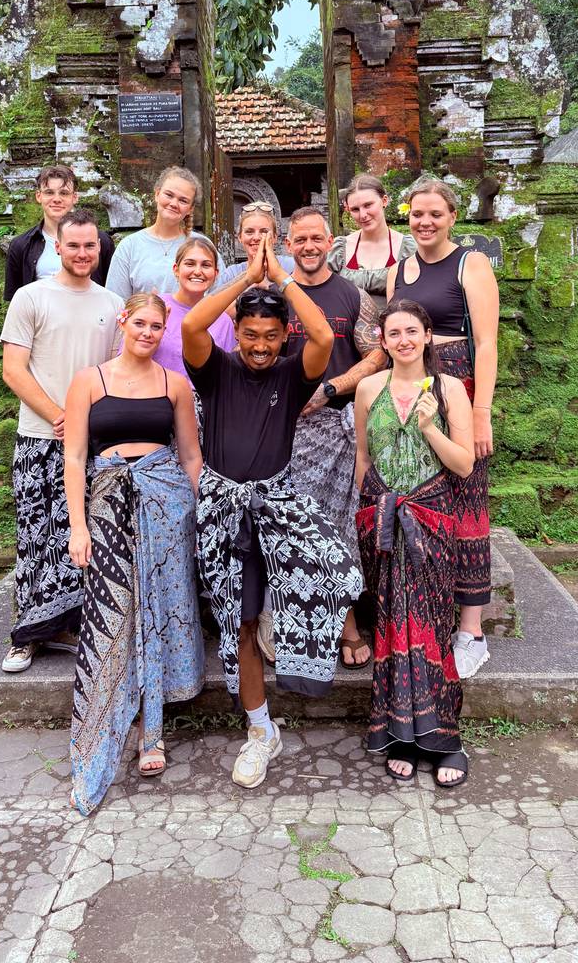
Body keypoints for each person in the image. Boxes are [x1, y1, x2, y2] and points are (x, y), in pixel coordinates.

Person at [182, 235, 362, 790]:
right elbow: (190, 328)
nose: (260, 347)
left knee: (337, 576)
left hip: (278, 511)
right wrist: (243, 281)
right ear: (237, 332)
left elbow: (327, 335)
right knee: (240, 623)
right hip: (224, 515)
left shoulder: (290, 373)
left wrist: (280, 279)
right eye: (251, 335)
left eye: (270, 336)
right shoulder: (215, 371)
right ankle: (261, 731)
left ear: (285, 336)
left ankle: (304, 666)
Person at [64, 292, 204, 815]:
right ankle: (106, 713)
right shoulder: (88, 381)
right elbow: (75, 456)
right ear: (123, 321)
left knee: (160, 611)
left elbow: (190, 454)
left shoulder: (174, 384)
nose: (146, 332)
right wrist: (79, 526)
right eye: (139, 323)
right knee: (112, 614)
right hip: (106, 505)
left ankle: (152, 731)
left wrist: (202, 511)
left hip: (166, 504)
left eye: (155, 326)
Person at [355, 299, 475, 787]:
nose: (403, 340)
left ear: (427, 336)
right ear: (382, 341)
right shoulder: (368, 387)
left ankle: (446, 739)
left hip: (432, 520)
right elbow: (364, 459)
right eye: (393, 333)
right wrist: (365, 520)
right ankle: (401, 735)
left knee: (429, 626)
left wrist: (429, 426)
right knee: (389, 626)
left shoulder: (449, 390)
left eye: (412, 331)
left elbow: (464, 463)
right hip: (385, 518)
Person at [0, 208, 124, 674]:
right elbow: (13, 370)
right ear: (58, 247)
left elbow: (114, 371)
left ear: (99, 248)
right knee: (36, 533)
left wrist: (88, 422)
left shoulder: (112, 304)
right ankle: (26, 635)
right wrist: (59, 414)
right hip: (40, 433)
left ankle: (65, 623)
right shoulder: (31, 298)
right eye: (73, 245)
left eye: (90, 245)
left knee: (80, 534)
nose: (82, 253)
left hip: (91, 441)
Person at [386, 176, 499, 679]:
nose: (426, 222)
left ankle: (471, 627)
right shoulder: (400, 271)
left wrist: (480, 411)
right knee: (420, 496)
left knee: (468, 499)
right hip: (411, 384)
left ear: (453, 216)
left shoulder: (469, 263)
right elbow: (394, 337)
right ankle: (424, 609)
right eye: (417, 214)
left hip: (460, 382)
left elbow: (489, 343)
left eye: (435, 213)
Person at [280, 205, 386, 669]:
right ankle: (298, 624)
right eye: (299, 240)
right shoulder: (275, 295)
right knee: (298, 528)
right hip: (286, 432)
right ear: (288, 246)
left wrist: (330, 389)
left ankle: (345, 623)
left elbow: (378, 353)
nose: (308, 247)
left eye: (315, 238)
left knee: (340, 527)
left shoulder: (351, 296)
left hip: (341, 428)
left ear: (330, 242)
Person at [106, 165, 225, 299]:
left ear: (191, 209)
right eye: (169, 195)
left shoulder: (202, 245)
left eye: (183, 200)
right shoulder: (130, 246)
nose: (174, 203)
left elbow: (219, 297)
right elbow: (116, 302)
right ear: (157, 194)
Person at [4, 164, 114, 301]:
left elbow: (111, 291)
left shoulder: (101, 241)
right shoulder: (20, 245)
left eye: (64, 193)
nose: (56, 199)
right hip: (41, 320)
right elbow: (16, 301)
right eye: (49, 192)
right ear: (39, 196)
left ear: (75, 197)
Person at [329, 174, 416, 308]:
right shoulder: (340, 248)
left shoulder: (408, 248)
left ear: (384, 201)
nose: (363, 215)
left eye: (368, 205)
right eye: (355, 209)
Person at [155, 235, 235, 381]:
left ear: (216, 273)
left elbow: (226, 374)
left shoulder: (223, 320)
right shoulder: (157, 306)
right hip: (158, 396)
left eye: (206, 265)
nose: (198, 271)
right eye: (190, 264)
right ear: (176, 269)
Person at [218, 201, 294, 289]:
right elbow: (215, 302)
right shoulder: (231, 274)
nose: (256, 237)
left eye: (264, 231)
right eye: (249, 232)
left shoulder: (291, 266)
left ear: (274, 237)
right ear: (240, 237)